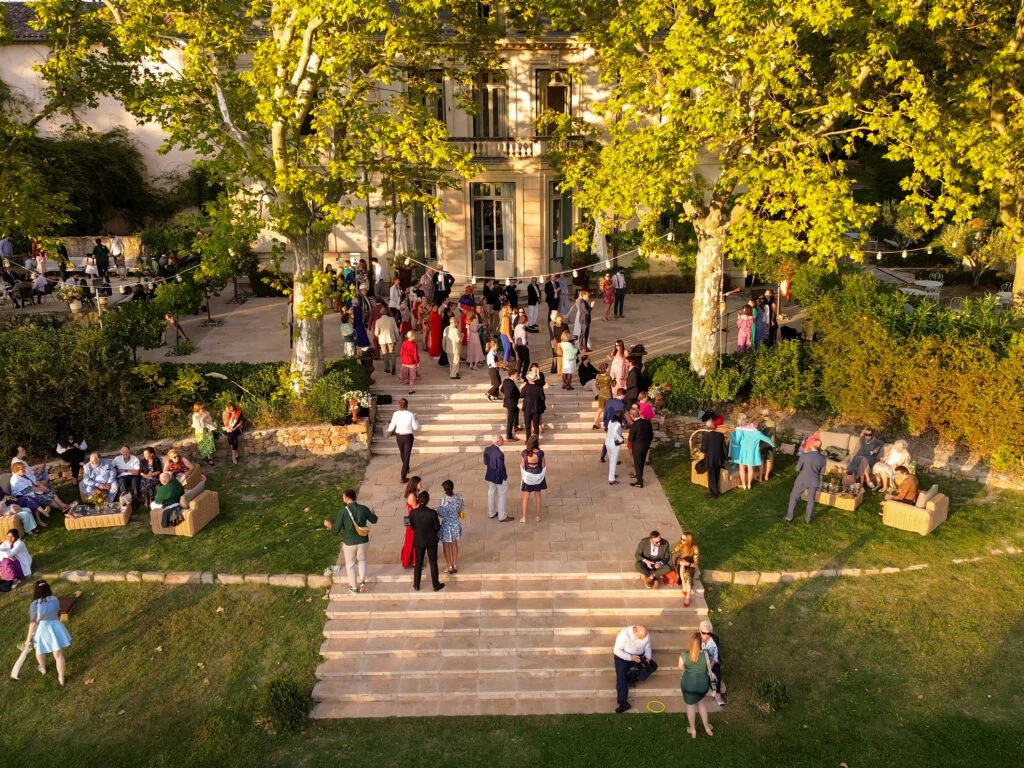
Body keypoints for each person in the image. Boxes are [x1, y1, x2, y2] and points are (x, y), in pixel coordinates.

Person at [324, 488, 378, 595]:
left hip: (349, 543)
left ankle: (354, 588)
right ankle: (362, 583)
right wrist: (373, 513)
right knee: (362, 561)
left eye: (343, 497)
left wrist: (329, 525)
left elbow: (336, 531)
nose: (342, 499)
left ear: (348, 498)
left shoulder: (343, 512)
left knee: (350, 565)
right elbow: (374, 520)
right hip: (363, 541)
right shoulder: (363, 508)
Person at [25, 580, 72, 686]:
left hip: (42, 629)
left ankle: (43, 668)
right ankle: (61, 678)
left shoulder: (34, 604)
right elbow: (58, 612)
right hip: (56, 626)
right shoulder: (55, 599)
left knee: (40, 651)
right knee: (58, 654)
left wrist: (28, 640)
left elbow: (33, 624)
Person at [613, 624, 656, 714]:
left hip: (639, 656)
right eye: (640, 637)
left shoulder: (645, 635)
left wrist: (647, 658)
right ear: (635, 630)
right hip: (623, 657)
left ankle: (631, 678)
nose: (643, 639)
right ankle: (623, 703)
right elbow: (617, 651)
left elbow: (648, 648)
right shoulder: (624, 635)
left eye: (644, 637)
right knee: (621, 679)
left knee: (652, 666)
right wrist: (630, 657)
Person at [678, 632, 714, 738]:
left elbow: (680, 667)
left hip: (688, 684)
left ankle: (693, 730)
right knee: (701, 704)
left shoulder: (684, 655)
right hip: (702, 685)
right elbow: (710, 667)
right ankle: (707, 728)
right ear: (702, 643)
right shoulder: (707, 655)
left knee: (690, 706)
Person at [409, 490, 445, 592]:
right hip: (431, 541)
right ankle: (435, 584)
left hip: (419, 540)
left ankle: (416, 584)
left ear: (418, 500)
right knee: (433, 562)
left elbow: (411, 526)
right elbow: (437, 528)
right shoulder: (432, 513)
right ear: (428, 500)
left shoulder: (413, 513)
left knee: (419, 563)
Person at [785, 437, 827, 523]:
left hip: (802, 479)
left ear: (811, 445)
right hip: (814, 481)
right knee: (811, 499)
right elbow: (822, 472)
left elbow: (797, 469)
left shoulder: (804, 455)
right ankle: (808, 519)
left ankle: (789, 517)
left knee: (794, 497)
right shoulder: (823, 458)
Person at [730, 416, 775, 490]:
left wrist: (731, 434)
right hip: (751, 453)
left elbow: (736, 441)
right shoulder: (756, 432)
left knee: (741, 467)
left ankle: (744, 485)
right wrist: (773, 445)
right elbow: (767, 439)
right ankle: (749, 485)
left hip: (742, 453)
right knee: (750, 468)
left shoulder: (739, 430)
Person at [385, 397, 419, 483]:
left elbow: (392, 426)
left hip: (399, 437)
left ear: (399, 405)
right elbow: (415, 427)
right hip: (408, 437)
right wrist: (416, 419)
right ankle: (403, 477)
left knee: (402, 453)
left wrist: (387, 432)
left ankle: (406, 467)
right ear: (407, 405)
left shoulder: (395, 414)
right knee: (406, 455)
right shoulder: (411, 414)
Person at [436, 479, 464, 576]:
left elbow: (440, 513)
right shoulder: (459, 498)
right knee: (454, 544)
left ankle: (449, 566)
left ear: (444, 489)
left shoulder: (444, 501)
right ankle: (455, 564)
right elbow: (461, 508)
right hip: (456, 523)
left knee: (446, 545)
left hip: (447, 525)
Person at [483, 434, 513, 522]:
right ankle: (502, 516)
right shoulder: (500, 454)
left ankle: (491, 512)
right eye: (502, 440)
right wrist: (505, 477)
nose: (503, 441)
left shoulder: (487, 449)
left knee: (491, 494)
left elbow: (485, 462)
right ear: (497, 442)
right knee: (502, 495)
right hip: (499, 477)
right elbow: (501, 468)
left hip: (490, 475)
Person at [700, 416, 730, 499]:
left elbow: (704, 450)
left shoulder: (706, 436)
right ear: (714, 427)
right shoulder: (720, 435)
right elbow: (724, 448)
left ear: (706, 427)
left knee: (711, 477)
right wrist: (726, 458)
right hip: (719, 459)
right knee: (716, 475)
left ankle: (713, 494)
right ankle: (715, 490)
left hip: (710, 459)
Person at [519, 435, 546, 524]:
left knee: (526, 497)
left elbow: (522, 466)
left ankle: (524, 517)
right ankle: (538, 516)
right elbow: (543, 465)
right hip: (538, 476)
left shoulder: (524, 453)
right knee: (538, 495)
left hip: (528, 477)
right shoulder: (541, 453)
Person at [627, 406, 654, 488]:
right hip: (646, 445)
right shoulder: (647, 422)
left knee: (638, 464)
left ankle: (639, 482)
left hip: (637, 447)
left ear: (631, 416)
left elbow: (630, 438)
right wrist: (648, 443)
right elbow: (651, 434)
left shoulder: (634, 425)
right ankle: (640, 477)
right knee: (641, 462)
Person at [672, 532, 700, 607]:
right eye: (681, 538)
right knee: (681, 565)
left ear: (688, 540)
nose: (681, 540)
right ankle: (684, 585)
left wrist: (688, 564)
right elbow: (673, 552)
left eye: (683, 539)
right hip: (681, 563)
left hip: (690, 564)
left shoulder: (694, 548)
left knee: (687, 574)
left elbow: (696, 564)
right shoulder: (680, 544)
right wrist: (677, 561)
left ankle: (688, 596)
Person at [600, 388, 627, 464]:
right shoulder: (622, 405)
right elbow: (621, 416)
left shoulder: (609, 401)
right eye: (624, 396)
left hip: (608, 423)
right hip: (616, 425)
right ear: (622, 395)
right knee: (616, 442)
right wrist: (624, 424)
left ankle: (602, 456)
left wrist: (605, 422)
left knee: (608, 439)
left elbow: (605, 412)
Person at [521, 369, 546, 440]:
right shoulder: (539, 388)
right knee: (536, 426)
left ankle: (527, 440)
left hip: (527, 409)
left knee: (528, 426)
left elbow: (521, 395)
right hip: (536, 408)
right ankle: (535, 441)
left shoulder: (526, 387)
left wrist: (523, 387)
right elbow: (543, 398)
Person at [374, 308, 400, 376]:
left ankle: (387, 368)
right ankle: (393, 366)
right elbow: (396, 330)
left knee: (385, 354)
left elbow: (376, 333)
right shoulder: (392, 319)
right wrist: (397, 338)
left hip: (382, 340)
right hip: (391, 339)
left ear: (381, 313)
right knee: (392, 353)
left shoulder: (378, 321)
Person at [500, 369, 522, 442]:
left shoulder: (506, 381)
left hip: (509, 403)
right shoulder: (511, 384)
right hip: (511, 404)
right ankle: (509, 436)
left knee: (517, 410)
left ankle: (516, 426)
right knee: (510, 420)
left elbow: (501, 390)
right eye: (516, 374)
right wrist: (515, 397)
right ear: (512, 375)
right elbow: (509, 394)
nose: (517, 376)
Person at [605, 411, 625, 485]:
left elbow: (609, 430)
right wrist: (621, 440)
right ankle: (612, 479)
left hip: (608, 442)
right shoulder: (618, 424)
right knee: (613, 462)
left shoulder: (611, 421)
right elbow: (615, 433)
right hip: (614, 444)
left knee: (611, 460)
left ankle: (612, 474)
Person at [593, 363, 613, 429]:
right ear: (606, 369)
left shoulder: (597, 376)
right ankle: (606, 424)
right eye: (608, 367)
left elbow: (597, 385)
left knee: (600, 409)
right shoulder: (608, 377)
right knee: (607, 410)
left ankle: (595, 423)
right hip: (608, 395)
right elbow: (612, 385)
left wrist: (601, 389)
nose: (609, 368)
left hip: (601, 394)